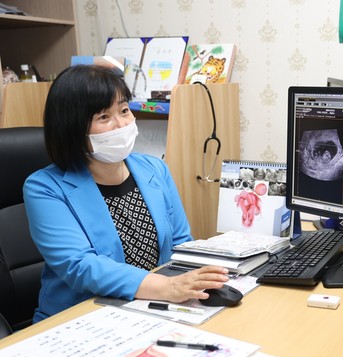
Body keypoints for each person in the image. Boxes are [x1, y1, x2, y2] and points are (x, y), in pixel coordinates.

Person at [24, 65, 229, 322]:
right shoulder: (44, 187)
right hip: (81, 317)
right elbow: (80, 266)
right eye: (103, 117)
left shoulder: (154, 168)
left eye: (123, 111)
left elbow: (180, 242)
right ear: (72, 127)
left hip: (150, 310)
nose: (121, 124)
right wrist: (167, 288)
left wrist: (206, 275)